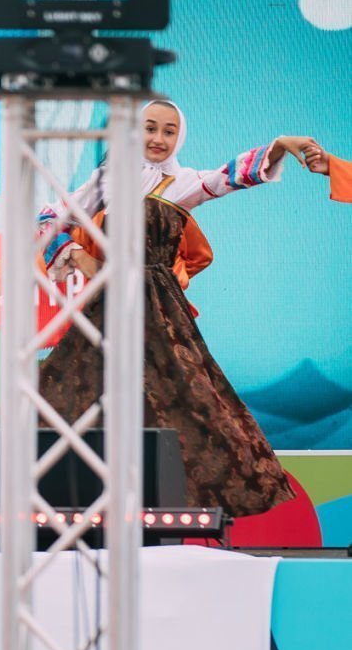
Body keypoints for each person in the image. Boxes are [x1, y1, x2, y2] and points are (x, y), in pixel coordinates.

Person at [33, 100, 316, 517]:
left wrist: (277, 147)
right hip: (109, 305)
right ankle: (81, 504)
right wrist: (78, 257)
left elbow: (227, 177)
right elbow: (48, 218)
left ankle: (178, 508)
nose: (158, 138)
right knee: (74, 395)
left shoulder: (181, 182)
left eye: (169, 131)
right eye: (149, 128)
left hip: (160, 312)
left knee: (189, 401)